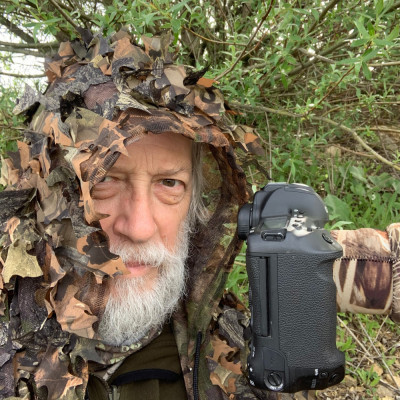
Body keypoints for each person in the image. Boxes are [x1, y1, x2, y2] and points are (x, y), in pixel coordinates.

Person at [0, 29, 398, 400]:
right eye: (103, 181)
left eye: (169, 183)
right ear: (48, 197)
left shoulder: (234, 353)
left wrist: (368, 269)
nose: (139, 227)